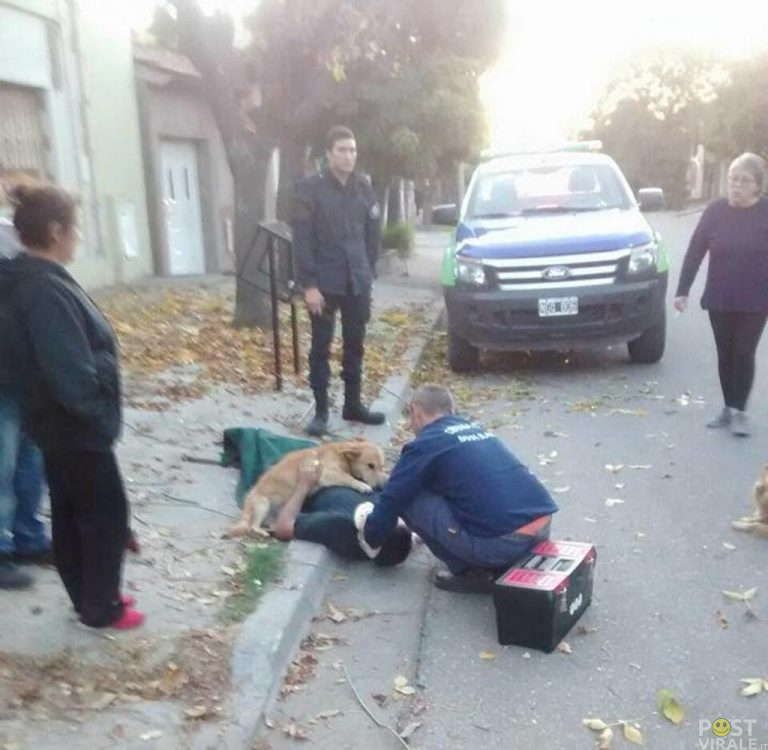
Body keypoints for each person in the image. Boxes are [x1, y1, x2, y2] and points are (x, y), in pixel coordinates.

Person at [0, 184, 143, 628]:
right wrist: (98, 409)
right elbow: (68, 367)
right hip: (75, 424)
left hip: (55, 422)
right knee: (104, 513)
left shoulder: (33, 279)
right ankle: (101, 606)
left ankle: (87, 597)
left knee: (70, 508)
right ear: (56, 230)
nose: (78, 238)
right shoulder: (43, 289)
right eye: (75, 229)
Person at [359, 384, 559, 594]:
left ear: (415, 411)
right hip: (541, 530)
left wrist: (372, 537)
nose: (410, 425)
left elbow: (393, 498)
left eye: (410, 418)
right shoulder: (475, 430)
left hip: (506, 544)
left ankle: (471, 572)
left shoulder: (425, 444)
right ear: (450, 410)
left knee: (411, 496)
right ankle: (494, 558)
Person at [292, 125, 385, 437]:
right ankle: (320, 411)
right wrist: (309, 285)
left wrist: (369, 271)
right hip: (324, 282)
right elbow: (302, 240)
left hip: (357, 280)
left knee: (354, 345)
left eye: (353, 150)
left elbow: (373, 233)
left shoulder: (363, 187)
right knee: (321, 347)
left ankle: (353, 404)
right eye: (343, 150)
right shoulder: (310, 189)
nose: (349, 156)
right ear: (329, 153)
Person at [674, 152, 768, 437]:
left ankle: (739, 411)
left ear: (757, 186)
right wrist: (682, 290)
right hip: (720, 297)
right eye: (733, 179)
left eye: (744, 180)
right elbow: (695, 250)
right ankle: (728, 407)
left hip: (756, 299)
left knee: (743, 351)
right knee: (725, 353)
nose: (736, 185)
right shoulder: (715, 211)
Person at [0, 179, 51, 590]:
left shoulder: (10, 234)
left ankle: (28, 537)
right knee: (1, 465)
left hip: (25, 371)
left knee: (31, 461)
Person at [271, 460, 412, 567]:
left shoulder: (339, 525)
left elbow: (283, 528)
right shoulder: (391, 538)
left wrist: (304, 484)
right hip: (347, 475)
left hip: (315, 483)